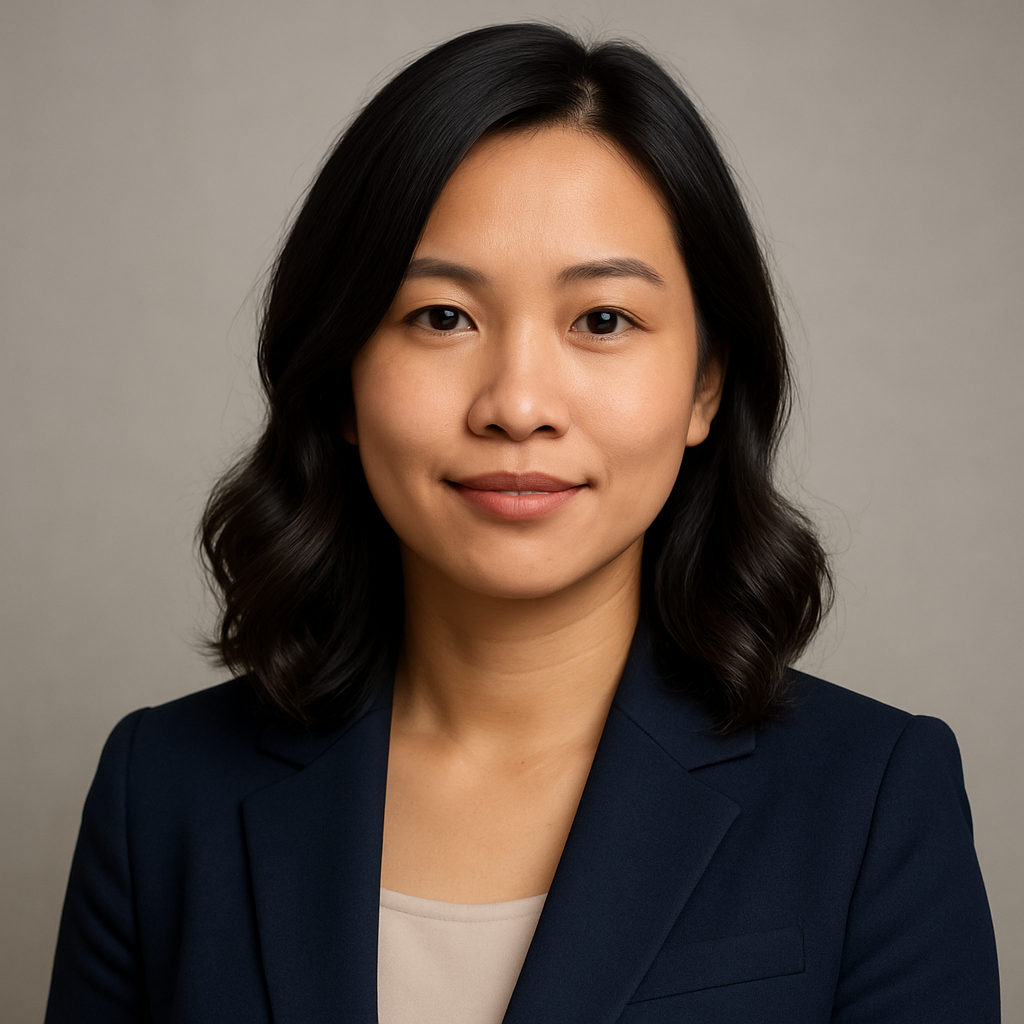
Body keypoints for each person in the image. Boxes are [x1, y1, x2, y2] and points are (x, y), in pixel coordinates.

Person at [45, 22, 999, 1024]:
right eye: (441, 317)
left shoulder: (871, 798)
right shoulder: (159, 792)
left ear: (704, 386)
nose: (516, 402)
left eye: (601, 321)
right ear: (340, 380)